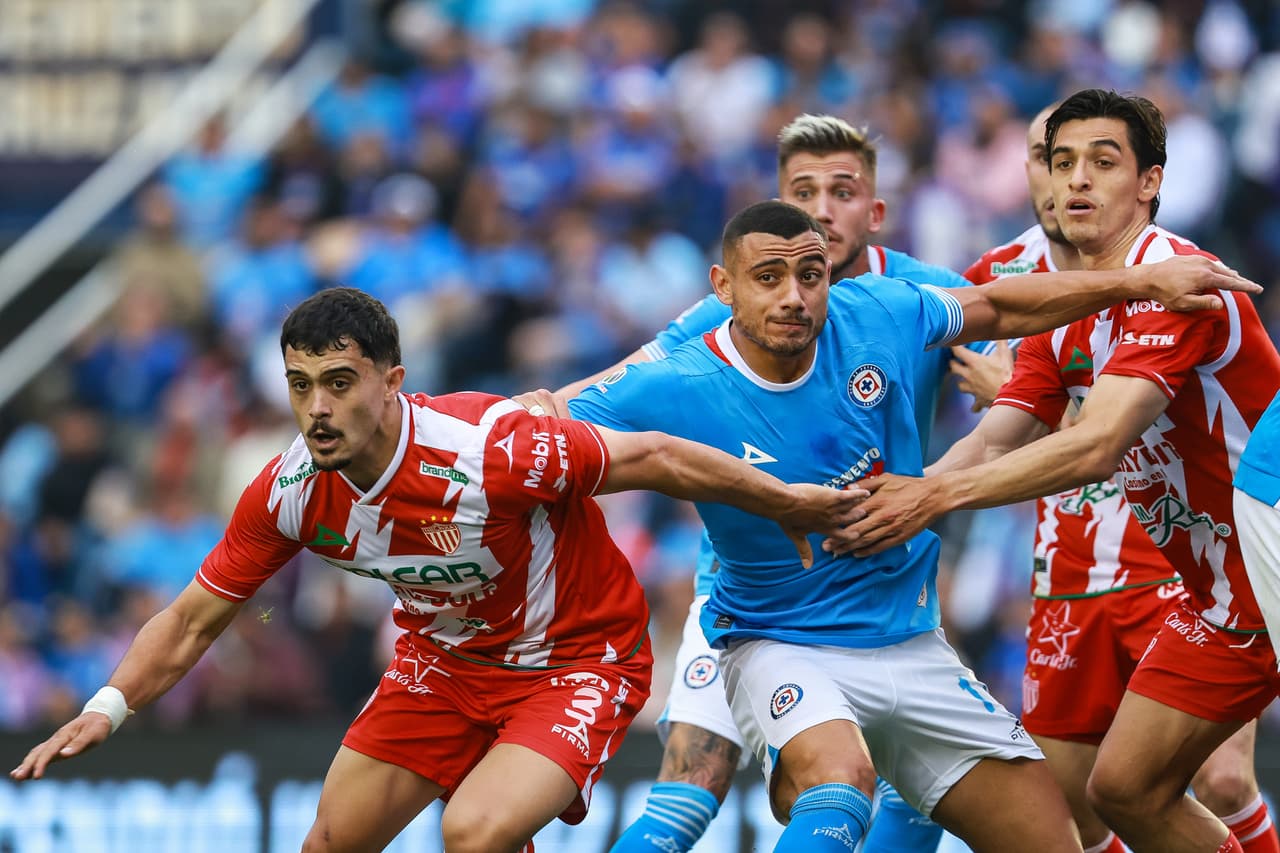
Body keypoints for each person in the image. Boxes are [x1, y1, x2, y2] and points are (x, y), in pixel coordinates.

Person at [9, 287, 872, 853]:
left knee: (474, 831)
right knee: (328, 844)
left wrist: (785, 502)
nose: (317, 407)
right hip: (443, 665)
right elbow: (194, 619)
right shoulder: (290, 491)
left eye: (340, 381)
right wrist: (106, 706)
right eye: (301, 383)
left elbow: (654, 457)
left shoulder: (492, 447)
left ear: (393, 381)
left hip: (575, 659)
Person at [564, 199, 1249, 852]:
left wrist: (1138, 282)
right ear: (725, 286)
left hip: (912, 644)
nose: (794, 297)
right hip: (779, 641)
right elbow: (539, 429)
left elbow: (1001, 305)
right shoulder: (679, 383)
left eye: (810, 275)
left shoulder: (879, 313)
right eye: (768, 278)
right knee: (837, 783)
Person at [547, 114, 1000, 853]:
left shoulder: (924, 294)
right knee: (688, 799)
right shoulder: (724, 309)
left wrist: (932, 491)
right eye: (803, 191)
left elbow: (1023, 397)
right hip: (753, 592)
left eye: (843, 191)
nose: (822, 208)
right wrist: (537, 411)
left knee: (920, 792)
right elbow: (623, 383)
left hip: (882, 591)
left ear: (875, 211)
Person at [846, 89, 1280, 853]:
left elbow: (1097, 443)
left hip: (1266, 555)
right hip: (1218, 593)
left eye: (1103, 163)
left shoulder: (1176, 280)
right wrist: (896, 506)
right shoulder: (1066, 305)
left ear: (1149, 181)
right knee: (1121, 789)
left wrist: (932, 495)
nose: (1075, 180)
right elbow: (993, 439)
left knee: (1215, 781)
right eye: (1061, 161)